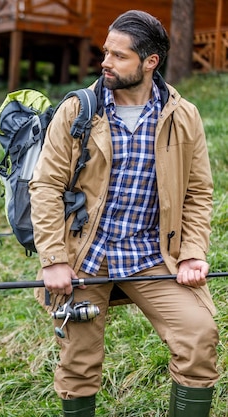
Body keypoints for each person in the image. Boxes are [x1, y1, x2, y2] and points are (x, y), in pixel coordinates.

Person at [29, 10, 218, 417]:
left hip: (154, 255)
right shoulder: (79, 111)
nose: (106, 63)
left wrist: (192, 252)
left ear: (150, 62)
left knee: (200, 336)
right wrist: (54, 260)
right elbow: (44, 187)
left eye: (119, 56)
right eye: (105, 53)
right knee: (78, 363)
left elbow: (199, 192)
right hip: (85, 255)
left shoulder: (183, 117)